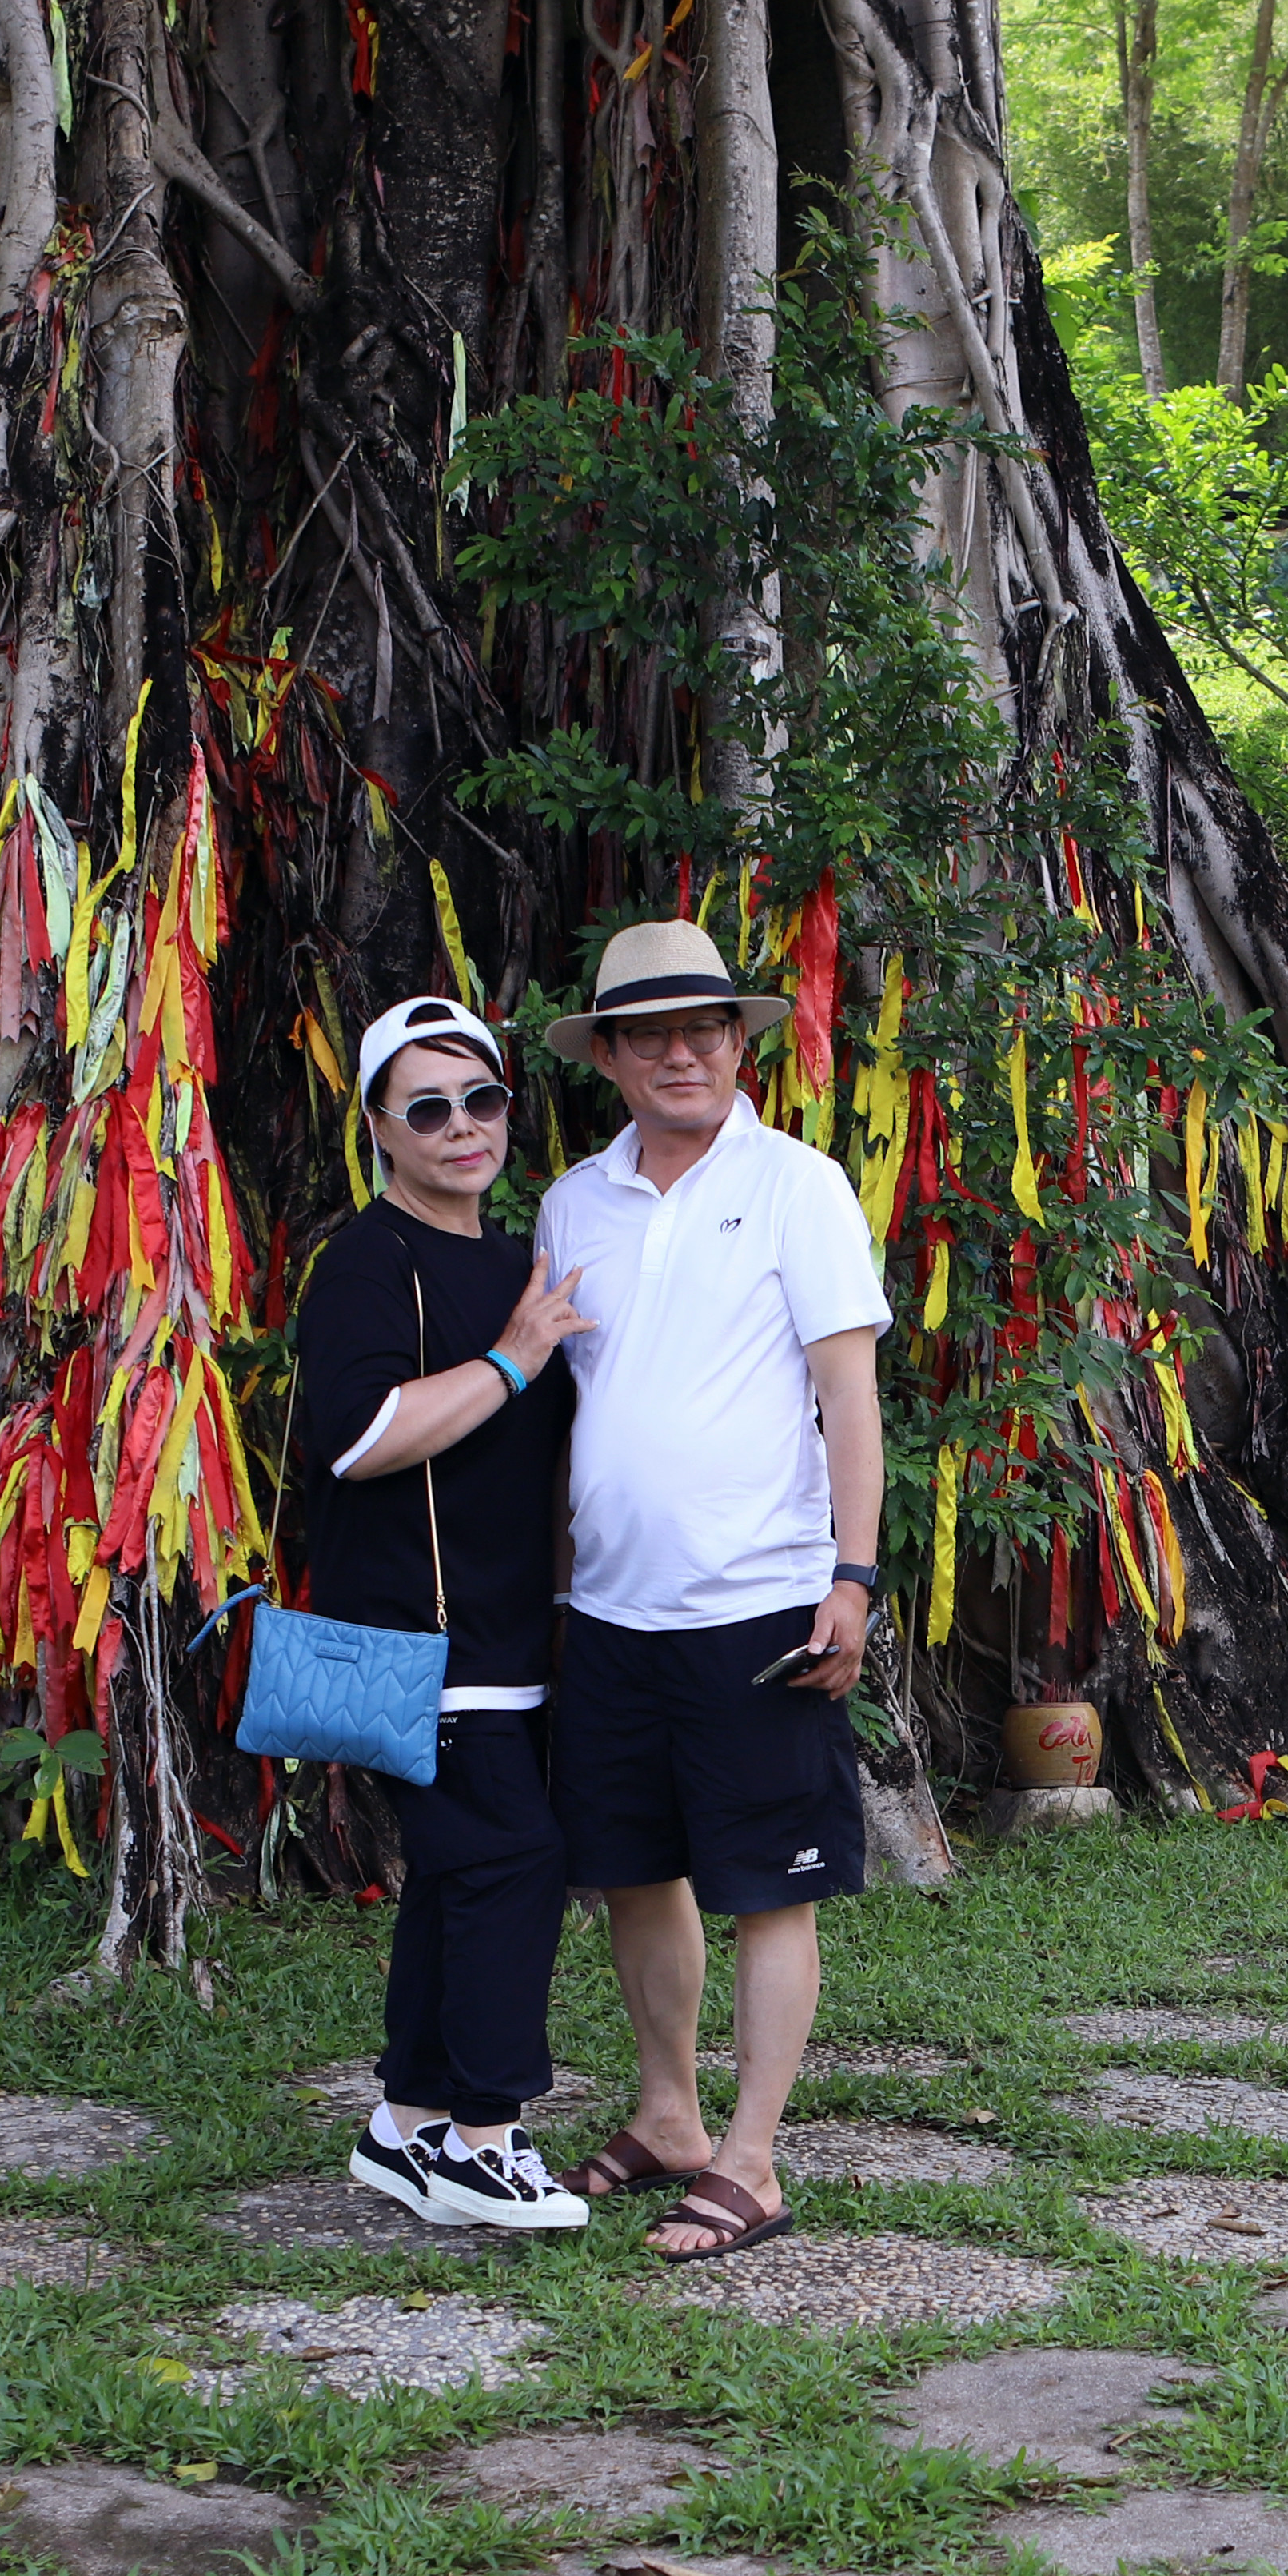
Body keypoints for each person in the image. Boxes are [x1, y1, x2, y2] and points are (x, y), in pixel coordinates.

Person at [530, 918, 894, 2262]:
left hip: (762, 1600)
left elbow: (848, 1395)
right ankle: (671, 2115)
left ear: (741, 1043)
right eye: (651, 1034)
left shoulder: (800, 1185)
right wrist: (560, 1588)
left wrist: (850, 1579)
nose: (683, 1052)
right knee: (633, 1874)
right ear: (612, 1058)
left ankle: (754, 2159)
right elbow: (570, 1404)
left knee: (768, 1885)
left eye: (708, 1029)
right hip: (613, 1611)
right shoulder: (574, 1203)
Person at [289, 997, 596, 2231]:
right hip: (411, 1639)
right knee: (515, 1862)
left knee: (456, 1874)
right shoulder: (371, 1260)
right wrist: (516, 1360)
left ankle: (404, 2124)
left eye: (482, 1100)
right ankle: (483, 2137)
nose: (462, 1127)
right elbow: (354, 1439)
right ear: (378, 1127)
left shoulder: (510, 1256)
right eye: (428, 1107)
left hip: (504, 1633)